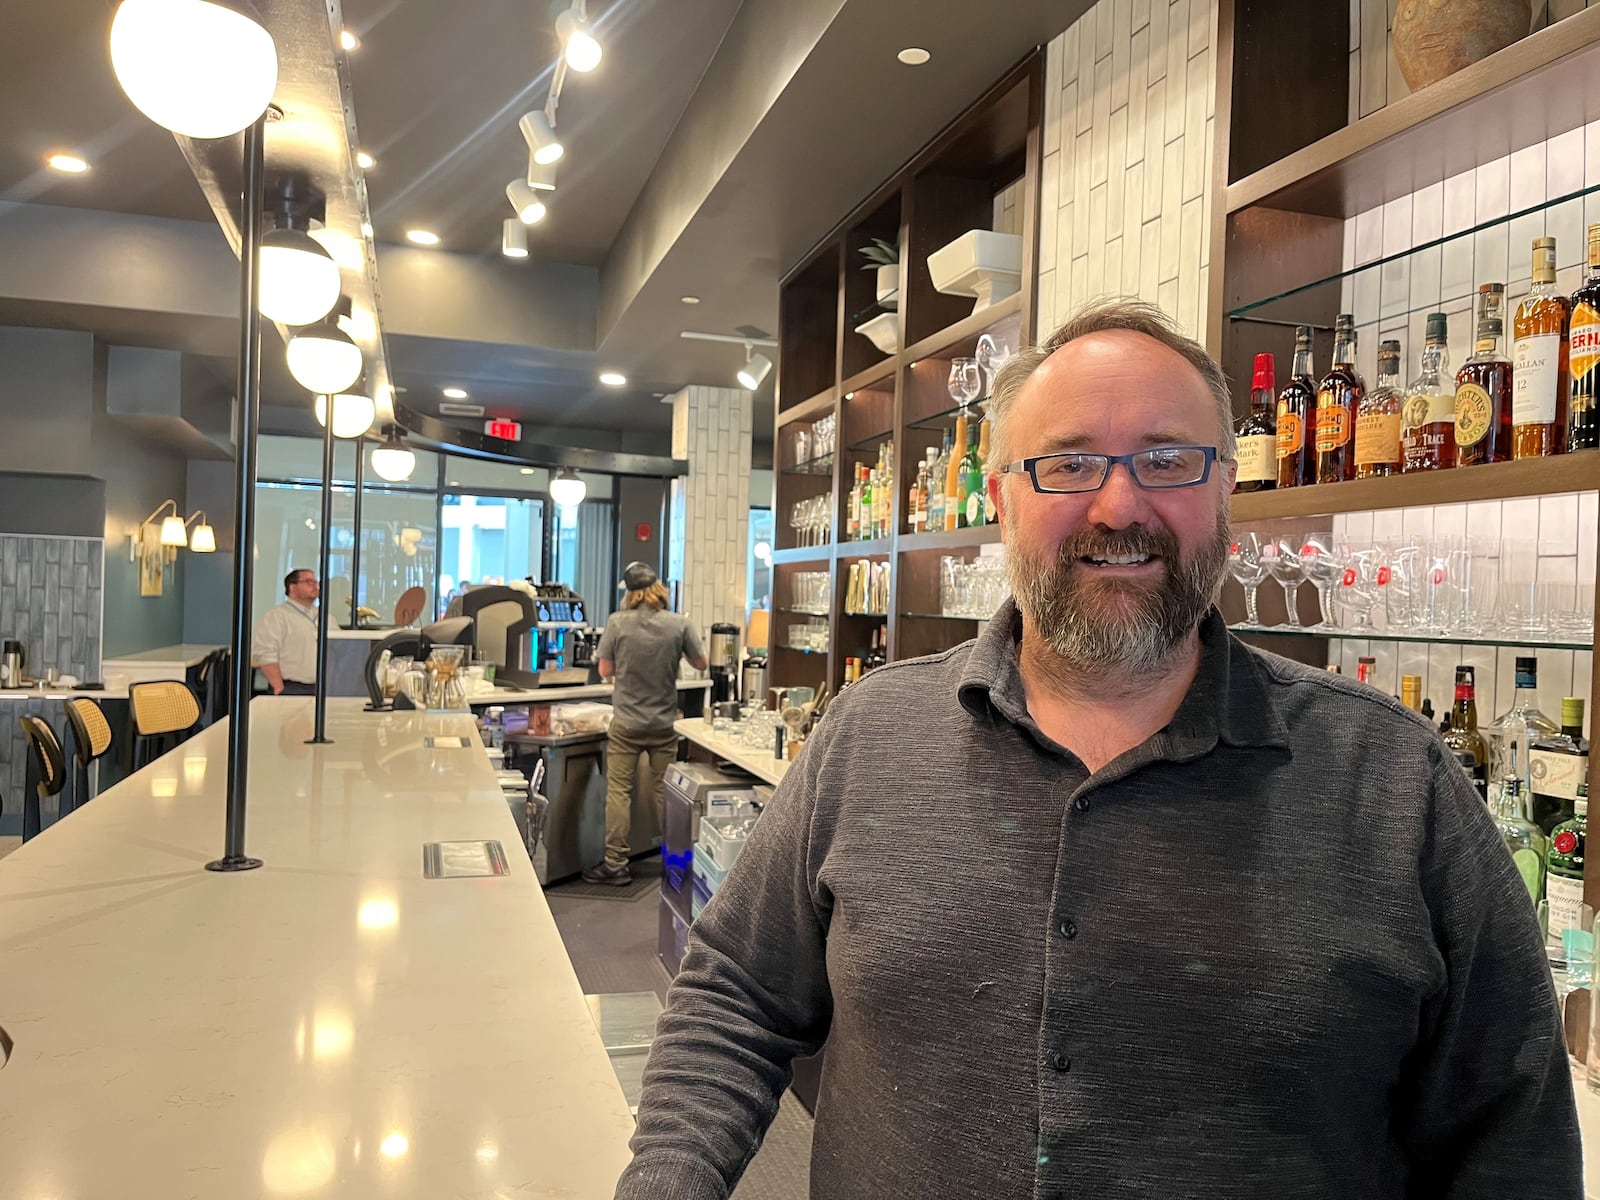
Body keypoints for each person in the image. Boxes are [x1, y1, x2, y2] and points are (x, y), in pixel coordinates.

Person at [614, 299, 1581, 1198]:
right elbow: (734, 996)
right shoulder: (869, 737)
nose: (1119, 507)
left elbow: (1512, 1137)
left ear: (1226, 488)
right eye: (1069, 463)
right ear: (1001, 499)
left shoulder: (1399, 786)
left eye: (1167, 459)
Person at [585, 561, 707, 886]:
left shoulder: (617, 622)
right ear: (658, 588)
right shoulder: (679, 624)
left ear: (631, 593)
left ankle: (615, 864)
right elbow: (702, 662)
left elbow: (605, 671)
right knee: (665, 792)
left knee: (619, 792)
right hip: (665, 723)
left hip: (626, 723)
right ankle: (676, 863)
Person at [252, 568, 320, 696]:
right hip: (291, 688)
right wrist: (278, 687)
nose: (315, 586)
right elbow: (265, 653)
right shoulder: (277, 616)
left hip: (321, 688)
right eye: (308, 581)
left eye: (315, 582)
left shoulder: (324, 617)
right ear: (292, 588)